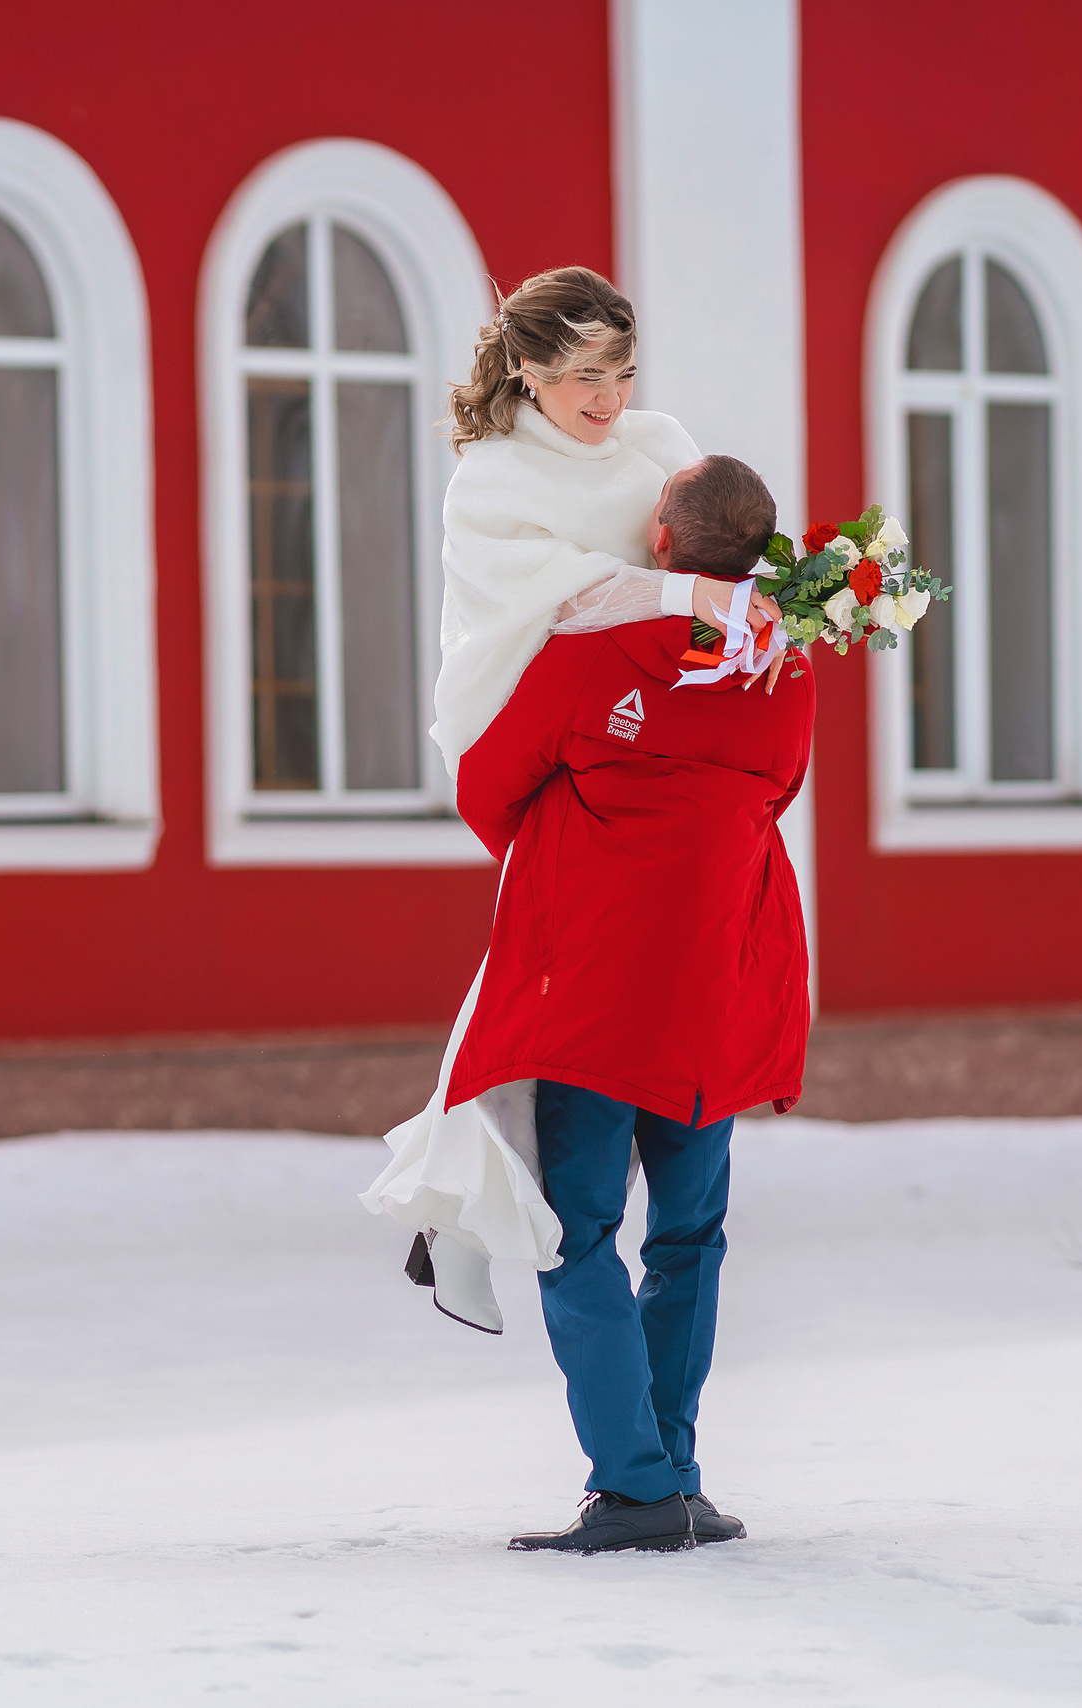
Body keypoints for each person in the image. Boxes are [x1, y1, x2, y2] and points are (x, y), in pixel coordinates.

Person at [361, 268, 779, 1331]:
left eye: (622, 370)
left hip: (652, 740)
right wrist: (693, 596)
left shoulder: (658, 440)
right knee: (538, 997)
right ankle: (460, 1204)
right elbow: (569, 602)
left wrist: (774, 602)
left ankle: (454, 1209)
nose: (608, 396)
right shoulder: (492, 481)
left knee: (527, 1003)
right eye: (584, 373)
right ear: (528, 369)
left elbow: (719, 542)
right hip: (540, 732)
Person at [444, 454, 812, 1554]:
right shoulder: (782, 671)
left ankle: (635, 1485)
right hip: (713, 994)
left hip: (596, 997)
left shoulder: (583, 657)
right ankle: (675, 1474)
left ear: (659, 536)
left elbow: (487, 787)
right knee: (690, 1234)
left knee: (578, 1231)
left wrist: (583, 835)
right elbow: (776, 788)